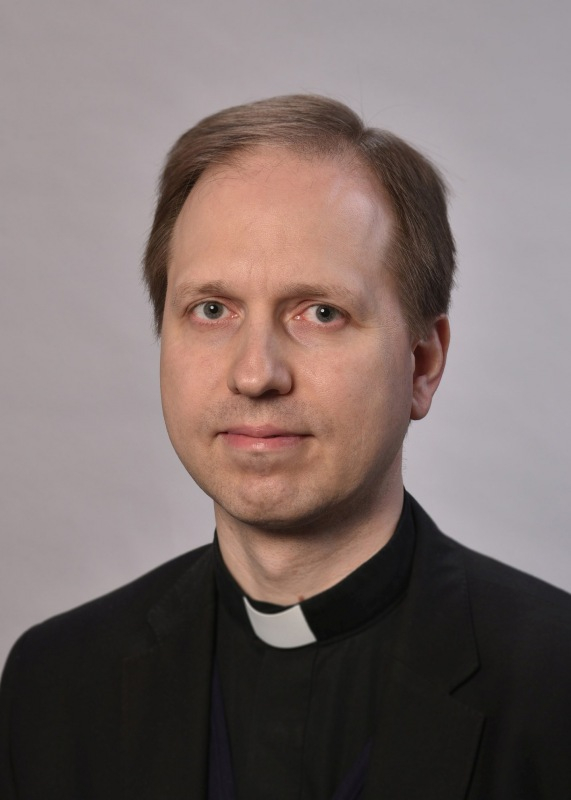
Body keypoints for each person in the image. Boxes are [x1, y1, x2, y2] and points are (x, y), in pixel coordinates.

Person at [1, 94, 570, 800]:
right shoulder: (55, 685)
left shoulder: (558, 688)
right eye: (212, 309)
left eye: (321, 313)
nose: (255, 374)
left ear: (422, 364)